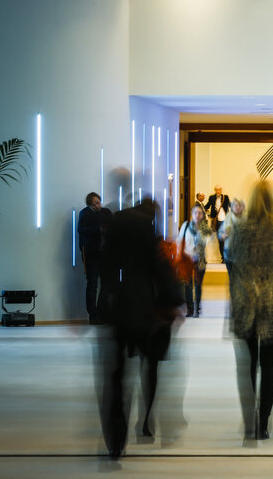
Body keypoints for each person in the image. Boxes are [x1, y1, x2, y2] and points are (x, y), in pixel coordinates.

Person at [98, 199, 183, 460]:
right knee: (151, 366)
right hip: (145, 310)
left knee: (117, 375)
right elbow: (160, 267)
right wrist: (173, 301)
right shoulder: (146, 229)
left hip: (119, 309)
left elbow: (104, 267)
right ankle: (146, 419)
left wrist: (104, 302)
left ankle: (116, 437)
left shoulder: (116, 225)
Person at [228, 180, 273, 440]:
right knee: (270, 365)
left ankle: (249, 420)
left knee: (248, 363)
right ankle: (263, 422)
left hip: (247, 301)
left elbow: (233, 259)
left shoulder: (241, 229)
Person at [78, 192, 110, 324]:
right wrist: (99, 229)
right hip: (92, 254)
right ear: (90, 204)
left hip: (104, 253)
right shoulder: (85, 213)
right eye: (95, 203)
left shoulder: (105, 212)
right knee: (93, 285)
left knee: (105, 285)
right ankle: (93, 315)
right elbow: (82, 230)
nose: (98, 205)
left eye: (99, 202)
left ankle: (102, 313)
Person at [177, 203, 212, 318]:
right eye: (195, 213)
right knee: (188, 285)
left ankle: (197, 308)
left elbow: (208, 241)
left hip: (200, 259)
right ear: (192, 214)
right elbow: (180, 241)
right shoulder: (186, 226)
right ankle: (190, 308)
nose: (197, 215)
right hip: (187, 259)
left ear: (202, 215)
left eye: (200, 213)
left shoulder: (206, 228)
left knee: (198, 285)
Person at [219, 198, 245, 298]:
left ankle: (241, 297)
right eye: (235, 206)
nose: (237, 208)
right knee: (232, 277)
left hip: (242, 254)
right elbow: (220, 234)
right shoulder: (227, 219)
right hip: (229, 253)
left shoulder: (246, 219)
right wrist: (223, 235)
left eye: (239, 206)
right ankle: (234, 297)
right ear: (232, 207)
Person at [205, 185, 231, 256]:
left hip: (225, 220)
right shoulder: (212, 198)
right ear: (215, 190)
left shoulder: (225, 197)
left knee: (225, 239)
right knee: (220, 239)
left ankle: (226, 256)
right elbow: (207, 205)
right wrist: (200, 207)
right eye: (216, 190)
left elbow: (230, 205)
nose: (218, 191)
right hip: (217, 220)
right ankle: (223, 256)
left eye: (219, 190)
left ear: (221, 190)